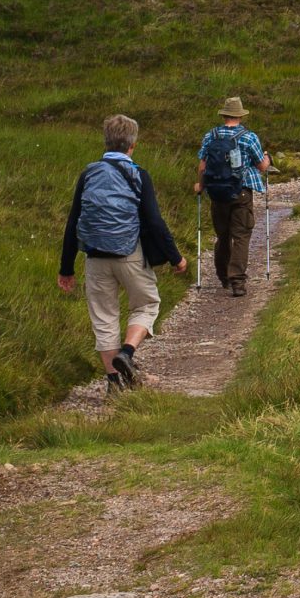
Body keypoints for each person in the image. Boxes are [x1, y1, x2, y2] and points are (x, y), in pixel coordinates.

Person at [58, 114, 185, 391]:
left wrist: (66, 268)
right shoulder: (138, 174)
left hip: (95, 258)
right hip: (130, 255)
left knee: (104, 318)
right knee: (146, 305)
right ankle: (126, 354)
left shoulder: (88, 173)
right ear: (133, 144)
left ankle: (114, 383)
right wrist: (176, 257)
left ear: (106, 141)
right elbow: (154, 221)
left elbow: (73, 222)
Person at [194, 95, 272, 297]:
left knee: (223, 236)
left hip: (217, 193)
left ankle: (223, 276)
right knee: (241, 236)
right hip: (241, 192)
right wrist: (267, 159)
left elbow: (202, 165)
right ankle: (237, 281)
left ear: (225, 115)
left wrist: (200, 186)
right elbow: (261, 166)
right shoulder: (249, 137)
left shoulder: (210, 135)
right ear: (240, 115)